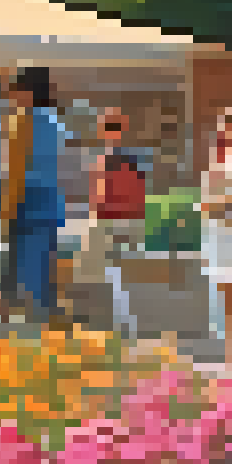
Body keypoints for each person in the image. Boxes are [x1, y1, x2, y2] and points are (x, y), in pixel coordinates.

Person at [2, 66, 68, 322]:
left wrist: (7, 207)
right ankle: (45, 310)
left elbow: (16, 169)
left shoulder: (22, 123)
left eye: (16, 91)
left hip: (27, 200)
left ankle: (33, 315)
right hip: (51, 200)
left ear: (28, 93)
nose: (13, 97)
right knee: (44, 261)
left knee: (27, 260)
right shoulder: (56, 123)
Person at [80, 108, 146, 339]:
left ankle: (120, 328)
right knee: (110, 277)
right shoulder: (126, 158)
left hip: (115, 222)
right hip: (118, 222)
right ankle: (112, 326)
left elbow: (103, 196)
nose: (110, 132)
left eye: (113, 126)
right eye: (108, 126)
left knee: (115, 277)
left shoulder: (114, 159)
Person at [201, 108, 232, 361]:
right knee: (228, 306)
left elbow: (230, 199)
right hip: (221, 237)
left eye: (228, 122)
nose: (221, 127)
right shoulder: (221, 157)